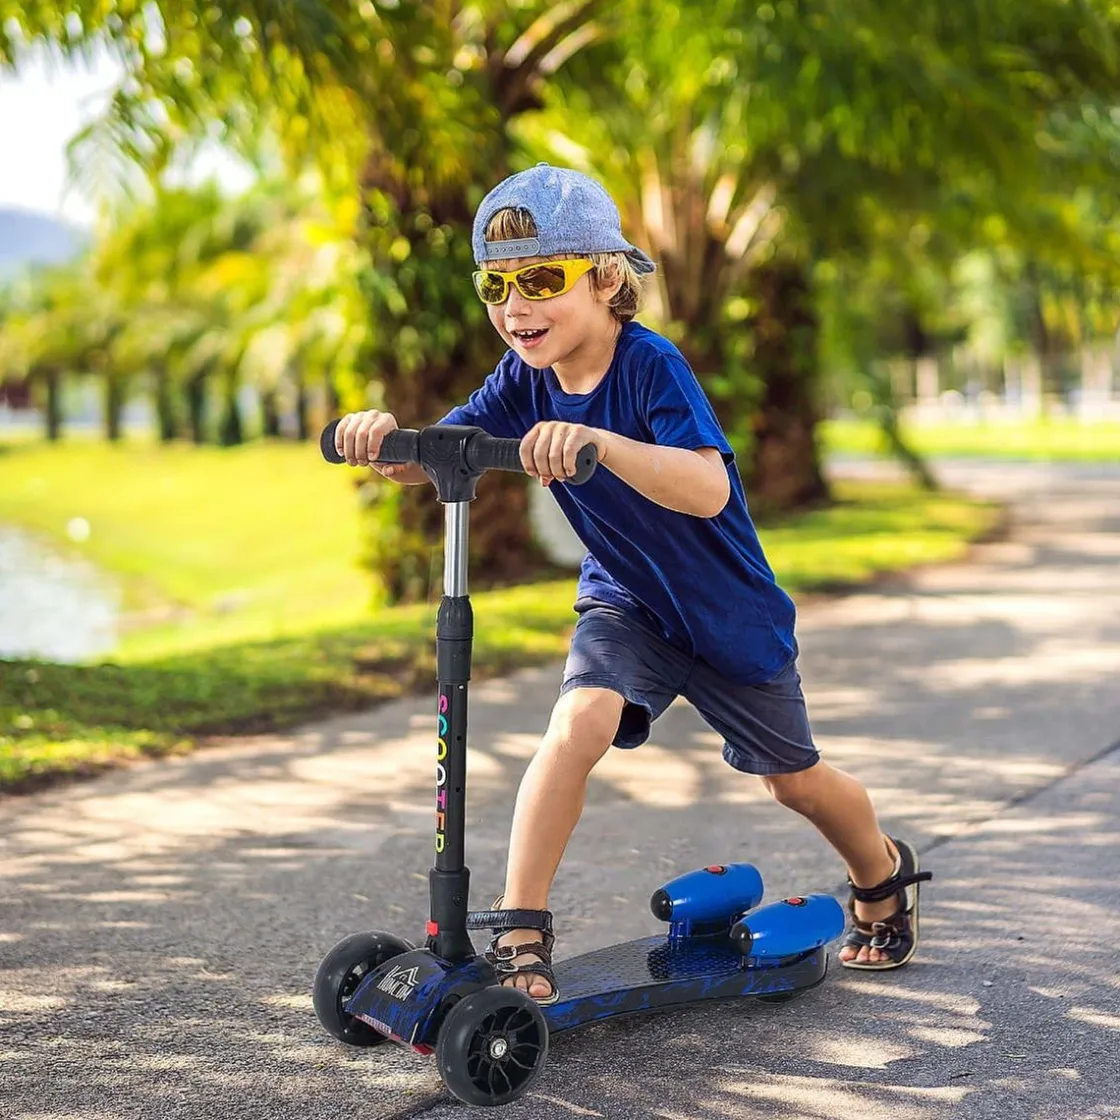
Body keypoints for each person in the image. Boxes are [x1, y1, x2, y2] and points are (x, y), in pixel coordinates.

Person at [334, 163, 930, 1004]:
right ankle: (521, 930)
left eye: (542, 280)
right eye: (496, 285)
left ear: (608, 279)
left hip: (728, 619)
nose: (516, 306)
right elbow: (447, 449)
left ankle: (880, 871)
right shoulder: (525, 378)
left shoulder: (649, 366)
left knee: (790, 780)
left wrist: (601, 446)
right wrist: (389, 440)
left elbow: (707, 486)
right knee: (578, 720)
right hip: (626, 604)